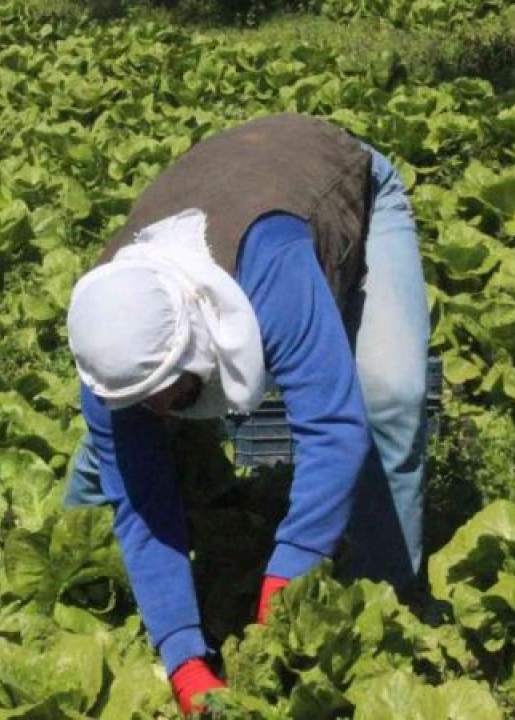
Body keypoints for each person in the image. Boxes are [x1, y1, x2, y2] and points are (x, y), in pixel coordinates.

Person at [65, 113, 431, 715]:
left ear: (197, 336)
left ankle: (386, 604)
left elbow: (334, 428)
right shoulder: (109, 335)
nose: (157, 406)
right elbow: (141, 501)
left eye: (166, 387)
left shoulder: (272, 270)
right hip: (234, 183)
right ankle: (72, 582)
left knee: (388, 397)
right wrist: (183, 658)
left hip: (338, 188)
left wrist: (288, 573)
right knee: (118, 458)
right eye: (141, 397)